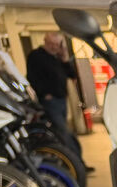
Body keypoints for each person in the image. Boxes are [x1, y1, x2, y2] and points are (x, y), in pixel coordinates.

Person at [25, 31, 91, 168]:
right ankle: (76, 165)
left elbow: (71, 74)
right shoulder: (36, 56)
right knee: (64, 133)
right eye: (52, 44)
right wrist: (44, 94)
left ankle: (76, 163)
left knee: (65, 132)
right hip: (50, 102)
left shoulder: (57, 57)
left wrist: (65, 58)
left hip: (61, 101)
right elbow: (31, 78)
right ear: (45, 41)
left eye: (57, 44)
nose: (55, 47)